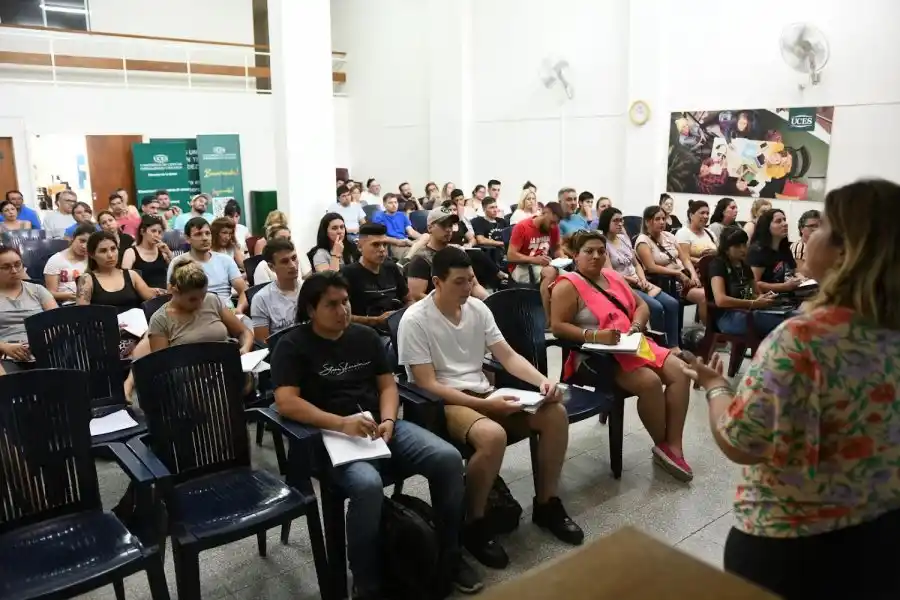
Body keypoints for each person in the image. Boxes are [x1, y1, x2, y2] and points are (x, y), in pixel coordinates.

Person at [689, 179, 900, 599]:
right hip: (883, 530)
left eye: (819, 226)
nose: (808, 235)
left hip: (797, 545)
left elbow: (742, 442)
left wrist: (716, 388)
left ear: (845, 250)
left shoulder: (805, 339)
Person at [272, 271, 480, 598]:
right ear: (311, 310)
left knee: (448, 458)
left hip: (378, 427)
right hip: (329, 437)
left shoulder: (364, 337)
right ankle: (367, 584)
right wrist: (340, 423)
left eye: (345, 302)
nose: (342, 311)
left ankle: (450, 555)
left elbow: (387, 385)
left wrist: (389, 420)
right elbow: (286, 402)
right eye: (332, 305)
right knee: (367, 485)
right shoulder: (293, 346)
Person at [399, 247, 584, 569]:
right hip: (447, 400)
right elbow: (426, 384)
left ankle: (546, 504)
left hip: (485, 392)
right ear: (437, 282)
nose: (467, 288)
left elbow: (508, 356)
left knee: (554, 413)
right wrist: (485, 404)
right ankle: (474, 522)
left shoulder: (478, 310)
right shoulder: (415, 319)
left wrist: (543, 382)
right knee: (492, 435)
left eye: (470, 280)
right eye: (459, 282)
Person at [550, 231, 693, 481]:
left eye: (601, 251)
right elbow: (558, 326)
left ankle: (673, 445)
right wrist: (596, 336)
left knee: (681, 372)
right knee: (648, 382)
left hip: (631, 344)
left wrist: (636, 326)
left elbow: (642, 306)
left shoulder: (614, 277)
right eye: (589, 251)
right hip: (594, 357)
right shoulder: (567, 285)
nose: (596, 256)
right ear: (575, 255)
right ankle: (663, 443)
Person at [596, 207, 681, 349]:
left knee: (672, 303)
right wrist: (634, 281)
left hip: (639, 281)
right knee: (656, 307)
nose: (620, 224)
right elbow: (610, 273)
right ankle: (660, 346)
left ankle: (674, 346)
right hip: (623, 285)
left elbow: (637, 264)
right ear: (606, 223)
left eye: (621, 220)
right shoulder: (603, 244)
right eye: (615, 221)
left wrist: (642, 279)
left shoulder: (623, 239)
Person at [149, 258, 253, 353]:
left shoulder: (212, 300)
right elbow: (162, 364)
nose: (200, 303)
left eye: (203, 296)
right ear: (174, 291)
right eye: (192, 299)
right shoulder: (160, 320)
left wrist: (245, 349)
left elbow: (243, 332)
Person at [704, 227, 787, 337]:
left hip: (749, 312)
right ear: (726, 248)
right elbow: (721, 300)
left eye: (744, 245)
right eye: (737, 246)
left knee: (791, 315)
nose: (743, 249)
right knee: (786, 324)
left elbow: (755, 293)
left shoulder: (745, 265)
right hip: (728, 317)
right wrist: (753, 303)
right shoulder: (718, 265)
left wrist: (765, 298)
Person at [406, 205, 489, 302]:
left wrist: (488, 301)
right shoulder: (421, 259)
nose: (448, 229)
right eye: (443, 225)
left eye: (450, 225)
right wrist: (450, 303)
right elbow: (417, 296)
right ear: (430, 228)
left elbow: (474, 285)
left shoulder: (458, 253)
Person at [167, 218, 248, 312]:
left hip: (227, 311)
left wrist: (239, 309)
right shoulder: (178, 263)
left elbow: (243, 290)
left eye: (207, 233)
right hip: (193, 314)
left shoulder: (226, 260)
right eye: (198, 234)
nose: (205, 238)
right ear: (187, 239)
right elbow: (171, 296)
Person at [634, 205, 706, 312]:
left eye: (663, 218)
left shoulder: (669, 236)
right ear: (647, 222)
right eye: (657, 219)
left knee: (711, 293)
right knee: (704, 296)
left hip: (685, 277)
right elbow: (651, 268)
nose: (662, 222)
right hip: (668, 282)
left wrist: (693, 275)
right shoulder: (643, 240)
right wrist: (677, 273)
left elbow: (685, 259)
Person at [342, 222, 411, 333]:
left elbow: (409, 299)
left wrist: (405, 314)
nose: (382, 249)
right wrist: (375, 320)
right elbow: (342, 316)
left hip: (398, 328)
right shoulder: (348, 274)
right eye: (376, 245)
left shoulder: (391, 267)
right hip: (365, 334)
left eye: (384, 244)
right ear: (360, 246)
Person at [0, 246, 57, 373]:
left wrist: (42, 342)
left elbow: (57, 322)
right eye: (6, 267)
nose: (14, 270)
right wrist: (4, 347)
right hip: (5, 354)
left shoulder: (37, 290)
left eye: (17, 264)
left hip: (42, 349)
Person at [506, 202, 565, 317]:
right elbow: (511, 255)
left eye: (556, 223)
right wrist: (533, 260)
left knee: (569, 277)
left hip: (544, 264)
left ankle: (560, 316)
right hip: (521, 267)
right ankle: (548, 319)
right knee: (550, 273)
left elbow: (557, 248)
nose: (554, 226)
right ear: (544, 213)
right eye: (552, 222)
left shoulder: (554, 228)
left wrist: (562, 257)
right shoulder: (522, 227)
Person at [251, 238, 300, 342]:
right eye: (285, 261)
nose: (292, 265)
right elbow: (263, 344)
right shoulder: (261, 299)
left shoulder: (309, 288)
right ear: (271, 267)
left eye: (294, 258)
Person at [747, 208, 802, 294]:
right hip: (767, 300)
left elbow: (795, 271)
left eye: (784, 220)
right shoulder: (757, 251)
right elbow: (754, 284)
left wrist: (801, 278)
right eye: (778, 221)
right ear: (767, 226)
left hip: (787, 297)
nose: (785, 224)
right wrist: (784, 287)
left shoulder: (784, 248)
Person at [43, 222, 92, 303]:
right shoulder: (56, 260)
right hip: (66, 305)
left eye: (89, 243)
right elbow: (49, 293)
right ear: (73, 238)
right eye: (82, 241)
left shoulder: (92, 259)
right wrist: (69, 296)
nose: (84, 246)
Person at [121, 215, 172, 290]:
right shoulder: (131, 252)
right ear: (142, 231)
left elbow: (176, 270)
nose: (157, 235)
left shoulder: (162, 251)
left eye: (159, 232)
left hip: (164, 294)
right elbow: (124, 278)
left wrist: (168, 253)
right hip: (142, 295)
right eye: (153, 231)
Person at [372, 192, 420, 259]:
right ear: (384, 204)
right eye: (390, 203)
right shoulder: (379, 216)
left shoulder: (402, 215)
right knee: (418, 253)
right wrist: (398, 242)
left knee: (426, 236)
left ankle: (415, 247)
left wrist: (422, 237)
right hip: (393, 245)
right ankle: (415, 249)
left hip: (407, 241)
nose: (394, 205)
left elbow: (411, 232)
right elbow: (382, 236)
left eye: (395, 202)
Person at [674, 200, 718, 264]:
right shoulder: (683, 233)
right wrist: (703, 261)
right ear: (691, 215)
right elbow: (684, 258)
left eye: (707, 213)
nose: (706, 216)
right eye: (702, 213)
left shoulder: (710, 233)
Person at [470, 197, 508, 266]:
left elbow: (509, 238)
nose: (495, 210)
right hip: (489, 254)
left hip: (505, 253)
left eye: (496, 207)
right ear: (484, 209)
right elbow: (481, 240)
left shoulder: (502, 221)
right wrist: (502, 243)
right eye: (491, 207)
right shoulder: (478, 221)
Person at [791, 209, 820, 275]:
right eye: (812, 226)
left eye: (819, 226)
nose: (816, 229)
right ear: (801, 229)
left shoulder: (816, 246)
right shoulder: (800, 246)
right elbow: (802, 274)